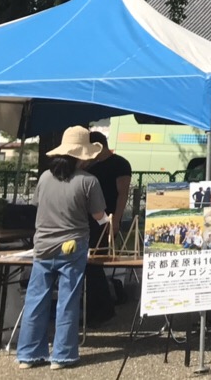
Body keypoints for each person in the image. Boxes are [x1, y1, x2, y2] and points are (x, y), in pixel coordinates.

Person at [17, 126, 108, 370]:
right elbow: (99, 215)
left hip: (43, 245)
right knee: (67, 300)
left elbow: (38, 205)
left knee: (36, 299)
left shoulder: (45, 177)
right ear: (81, 155)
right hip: (73, 245)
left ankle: (28, 355)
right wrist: (108, 220)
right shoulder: (89, 181)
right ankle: (62, 356)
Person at [83, 131, 132, 324]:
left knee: (95, 262)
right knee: (90, 264)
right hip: (86, 219)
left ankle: (102, 309)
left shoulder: (119, 164)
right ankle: (95, 308)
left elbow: (123, 194)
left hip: (105, 217)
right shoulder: (89, 166)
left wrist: (116, 219)